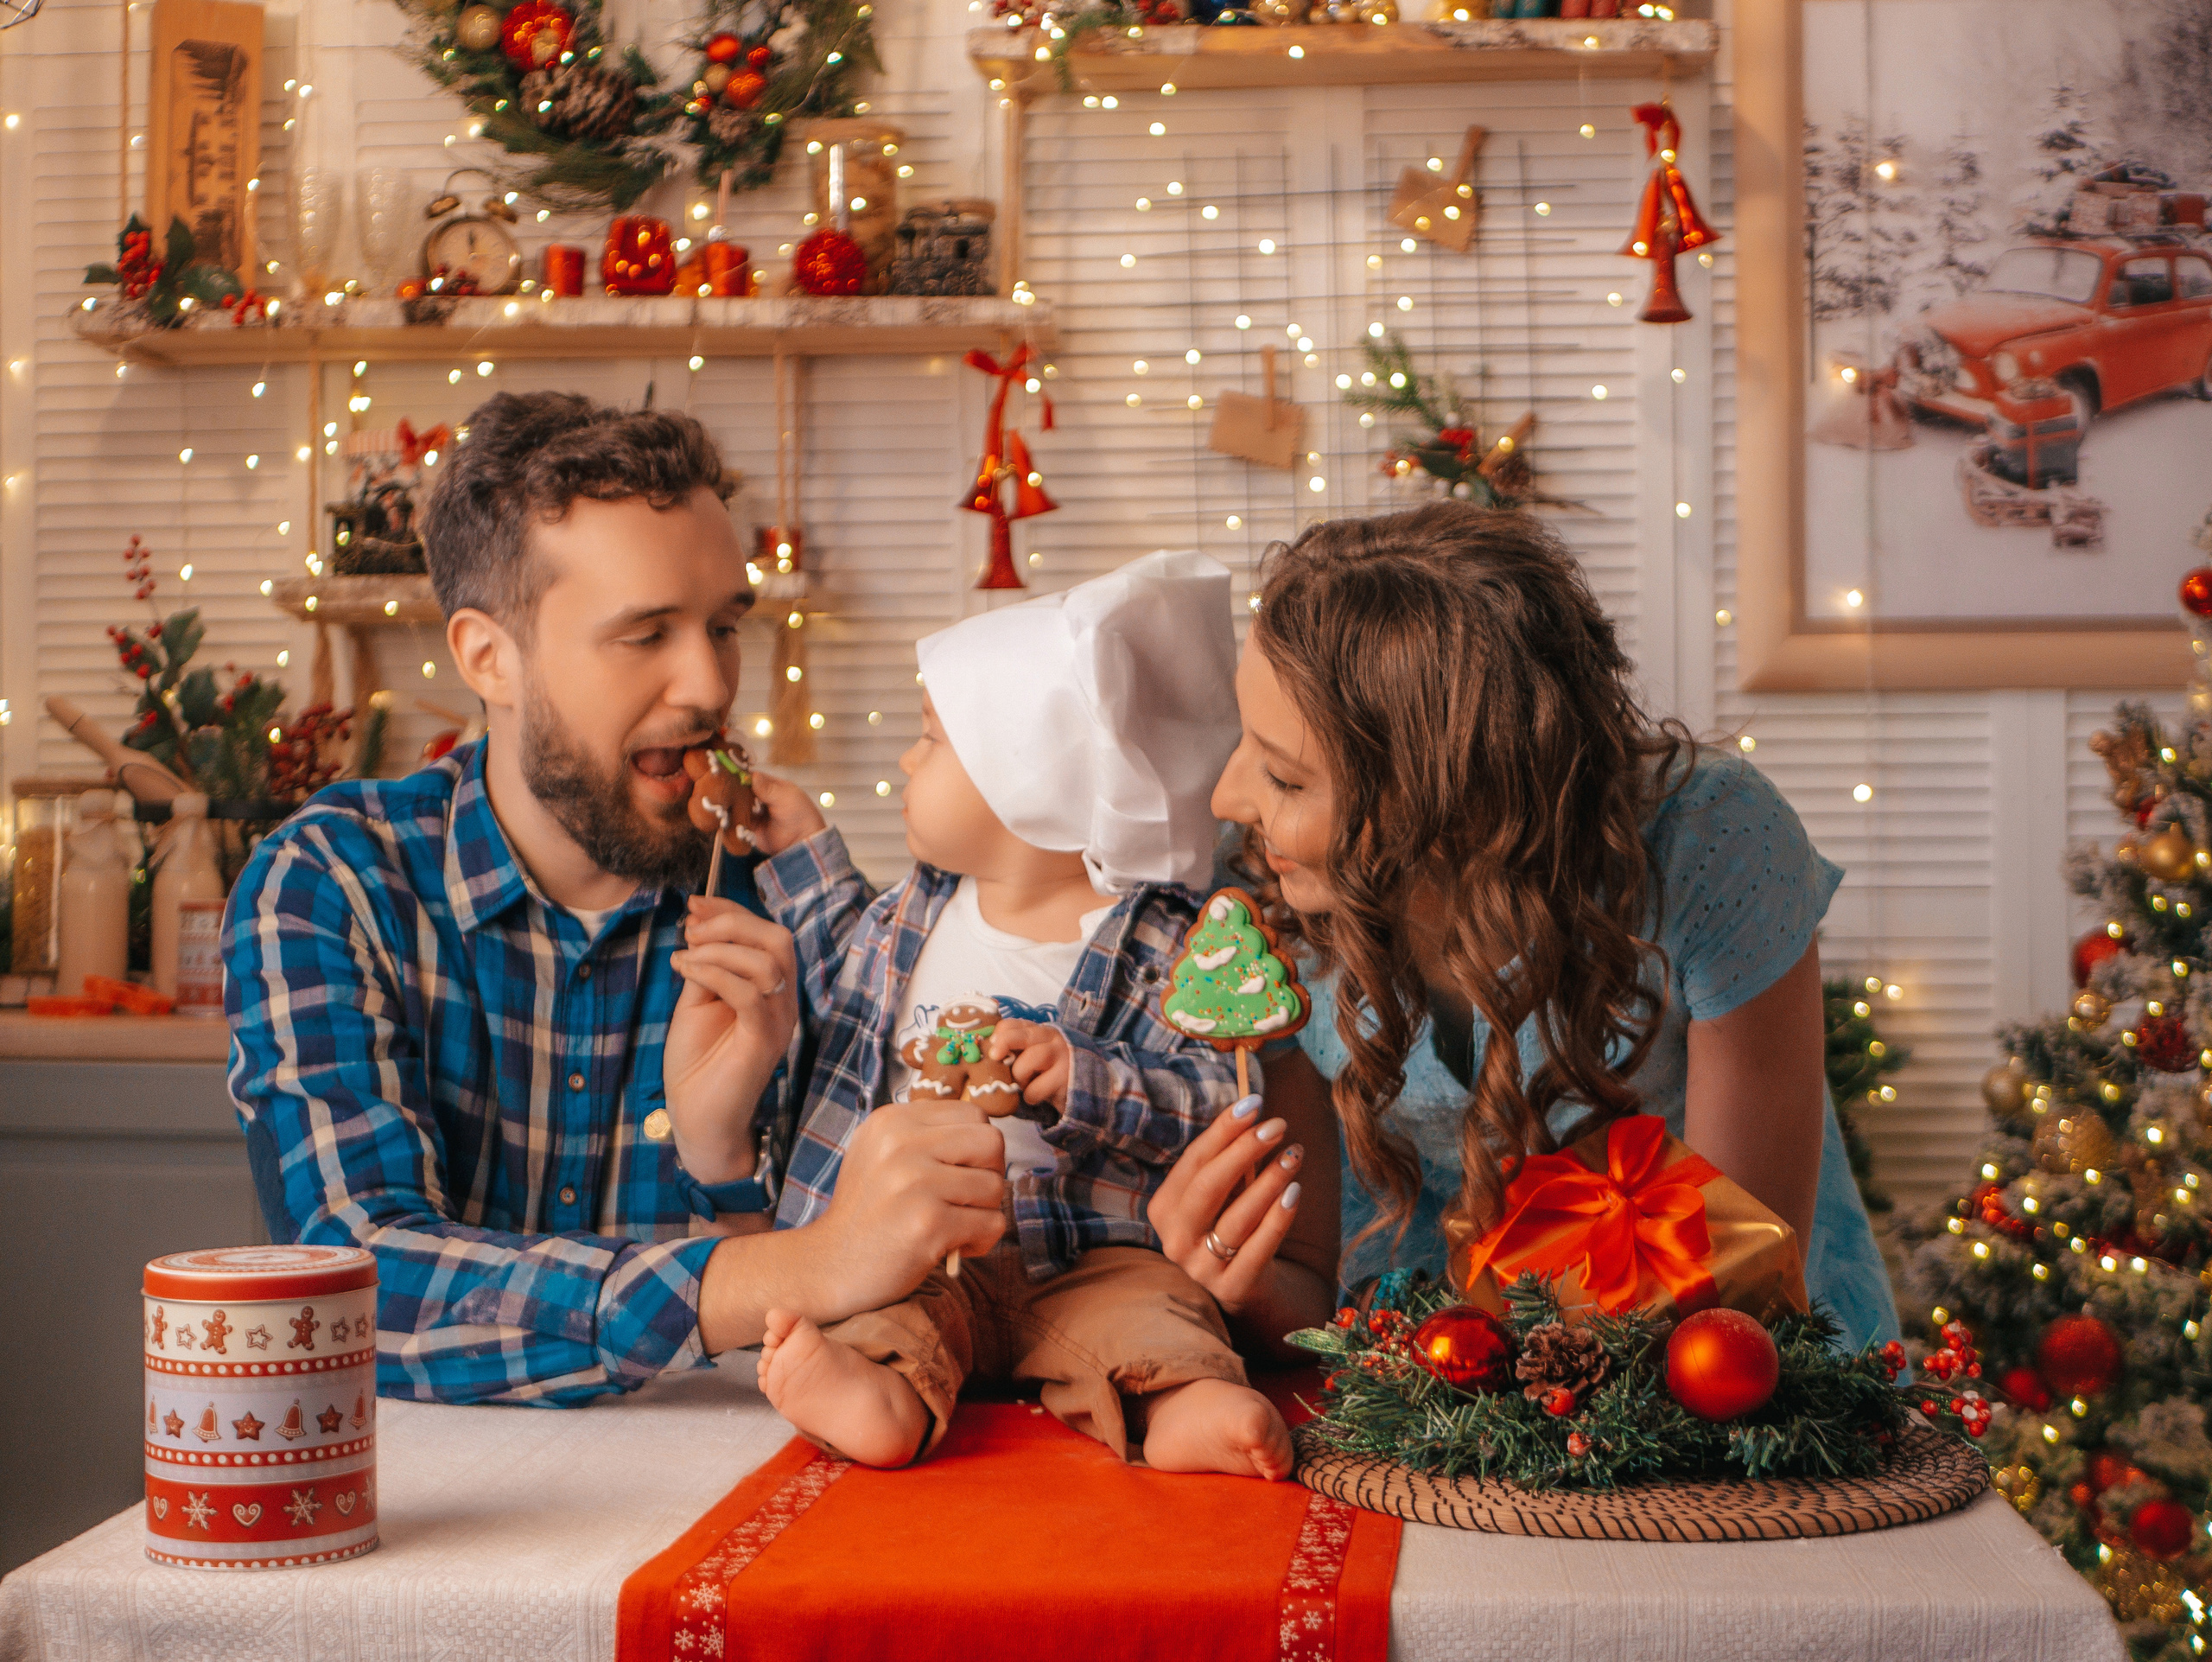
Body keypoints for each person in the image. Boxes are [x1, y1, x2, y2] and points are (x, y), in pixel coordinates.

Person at [225, 392, 1012, 1404]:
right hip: (415, 1516)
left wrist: (724, 1164)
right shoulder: (333, 884)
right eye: (645, 635)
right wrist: (797, 1265)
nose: (710, 684)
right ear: (487, 658)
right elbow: (352, 1288)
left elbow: (888, 1314)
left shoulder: (795, 900)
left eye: (724, 626)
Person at [1148, 504, 1902, 1358]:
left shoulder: (1711, 839)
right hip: (1428, 1380)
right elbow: (1308, 1296)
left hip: (1732, 1375)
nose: (1226, 801)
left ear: (1453, 798)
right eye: (1245, 744)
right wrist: (1232, 1278)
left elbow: (1741, 1294)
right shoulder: (1260, 903)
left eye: (1285, 778)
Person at [737, 551, 1294, 1477]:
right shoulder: (906, 913)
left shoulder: (1165, 943)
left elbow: (1219, 1098)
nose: (908, 760)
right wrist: (801, 849)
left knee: (1155, 1312)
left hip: (1092, 1256)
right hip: (926, 1252)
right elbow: (837, 969)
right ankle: (880, 1394)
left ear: (1033, 779)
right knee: (892, 1315)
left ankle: (1188, 1405)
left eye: (932, 740)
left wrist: (1089, 1081)